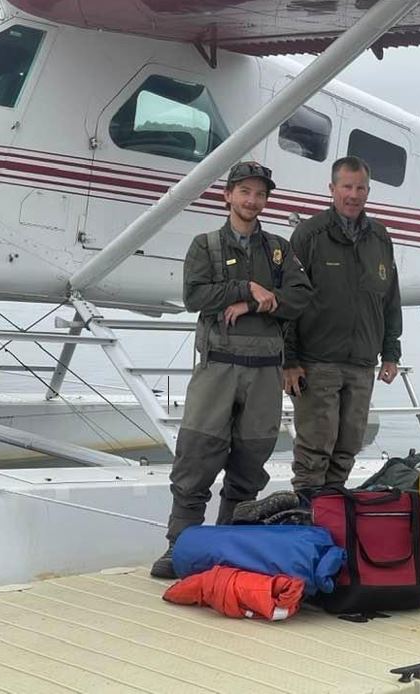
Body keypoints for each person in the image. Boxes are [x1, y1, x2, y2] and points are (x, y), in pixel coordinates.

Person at [151, 162, 312, 579]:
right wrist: (246, 287)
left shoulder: (279, 249)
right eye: (244, 192)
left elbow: (300, 297)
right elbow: (194, 296)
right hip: (217, 371)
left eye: (260, 194)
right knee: (195, 461)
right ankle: (180, 548)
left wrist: (256, 303)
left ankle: (226, 545)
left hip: (263, 375)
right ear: (228, 195)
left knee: (249, 464)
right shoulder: (205, 246)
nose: (252, 201)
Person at [282, 156, 402, 490]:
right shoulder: (309, 234)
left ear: (368, 190)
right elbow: (289, 301)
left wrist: (390, 353)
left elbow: (389, 299)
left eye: (360, 187)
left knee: (348, 446)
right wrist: (288, 361)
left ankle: (331, 513)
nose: (353, 194)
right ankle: (306, 517)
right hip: (317, 362)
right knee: (315, 449)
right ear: (332, 189)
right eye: (346, 187)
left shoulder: (380, 237)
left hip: (362, 364)